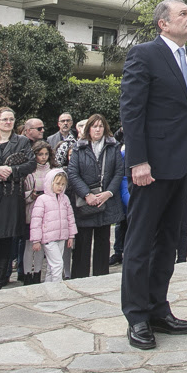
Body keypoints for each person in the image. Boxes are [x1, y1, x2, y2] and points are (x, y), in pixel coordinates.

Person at [119, 0, 187, 350]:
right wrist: (137, 161)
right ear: (163, 24)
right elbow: (132, 110)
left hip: (183, 166)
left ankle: (158, 308)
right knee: (140, 243)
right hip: (150, 169)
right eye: (183, 13)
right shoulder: (144, 54)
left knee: (169, 241)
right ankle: (137, 316)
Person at [0, 107, 34, 291]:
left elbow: (31, 163)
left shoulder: (22, 141)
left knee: (5, 239)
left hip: (11, 194)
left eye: (11, 119)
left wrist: (12, 171)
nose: (8, 122)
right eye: (4, 119)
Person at [67, 113, 125, 278]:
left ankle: (101, 276)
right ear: (88, 129)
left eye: (100, 126)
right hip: (86, 200)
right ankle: (80, 277)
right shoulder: (79, 147)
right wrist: (86, 194)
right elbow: (73, 173)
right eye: (94, 126)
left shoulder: (113, 147)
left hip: (106, 200)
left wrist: (109, 193)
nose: (97, 129)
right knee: (83, 242)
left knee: (103, 241)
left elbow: (118, 172)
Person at [19, 140, 58, 285]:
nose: (43, 157)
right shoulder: (30, 172)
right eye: (40, 154)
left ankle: (37, 273)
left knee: (42, 243)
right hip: (32, 210)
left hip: (48, 212)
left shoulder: (52, 171)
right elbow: (23, 193)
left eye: (46, 154)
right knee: (30, 244)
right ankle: (27, 273)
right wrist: (31, 194)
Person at [29, 168, 76, 283]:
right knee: (58, 264)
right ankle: (57, 287)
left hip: (61, 237)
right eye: (58, 183)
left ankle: (48, 287)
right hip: (49, 238)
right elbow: (36, 221)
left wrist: (71, 236)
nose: (60, 187)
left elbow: (70, 217)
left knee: (52, 266)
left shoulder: (65, 199)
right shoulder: (42, 200)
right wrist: (36, 240)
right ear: (50, 183)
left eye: (63, 184)